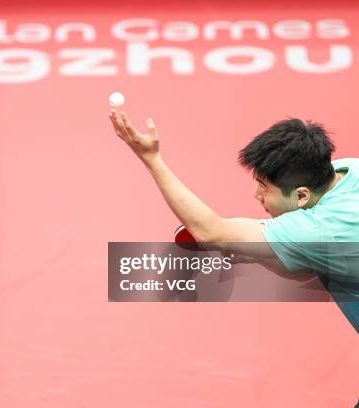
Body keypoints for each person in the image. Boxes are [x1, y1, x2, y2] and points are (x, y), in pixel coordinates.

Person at [108, 110, 358, 331]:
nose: (256, 195)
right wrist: (252, 254)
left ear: (301, 195)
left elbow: (212, 233)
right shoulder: (347, 170)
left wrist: (151, 158)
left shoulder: (320, 231)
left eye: (264, 187)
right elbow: (306, 269)